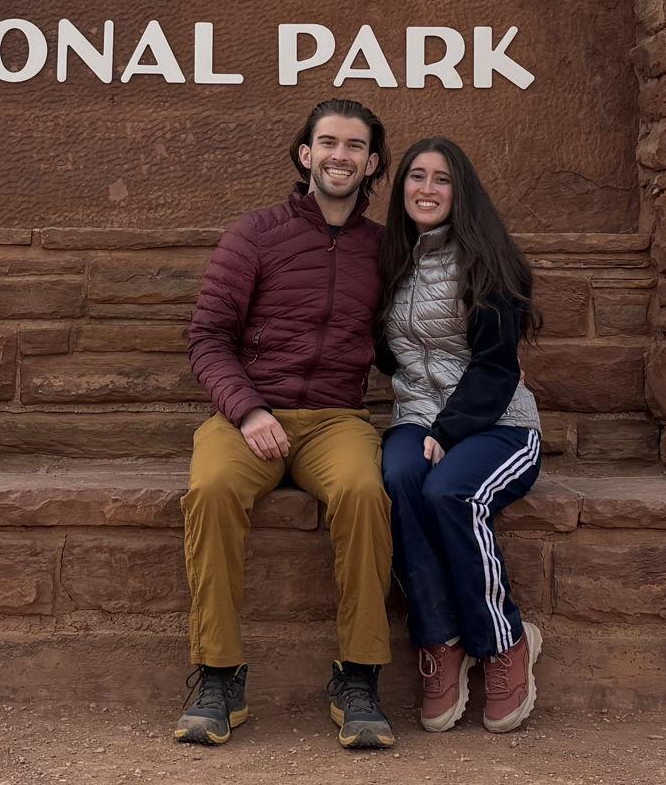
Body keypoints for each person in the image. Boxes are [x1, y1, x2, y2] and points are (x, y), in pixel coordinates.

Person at [175, 97, 397, 750]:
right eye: (328, 143)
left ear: (371, 163)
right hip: (247, 415)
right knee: (211, 492)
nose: (339, 155)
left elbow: (402, 343)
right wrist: (247, 408)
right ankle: (218, 676)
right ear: (305, 154)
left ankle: (357, 677)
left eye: (354, 146)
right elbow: (207, 337)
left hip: (337, 419)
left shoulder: (384, 251)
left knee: (364, 494)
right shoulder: (256, 235)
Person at [376, 136, 544, 734]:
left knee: (451, 492)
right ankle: (440, 639)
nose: (426, 188)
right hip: (416, 417)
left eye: (441, 178)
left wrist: (449, 429)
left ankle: (503, 641)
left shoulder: (487, 262)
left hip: (499, 426)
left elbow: (497, 367)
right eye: (415, 177)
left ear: (460, 190)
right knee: (397, 481)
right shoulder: (389, 262)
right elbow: (383, 351)